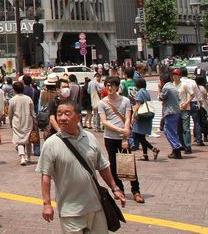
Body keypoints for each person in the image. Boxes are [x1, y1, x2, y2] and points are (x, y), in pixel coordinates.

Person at [38, 100, 127, 234]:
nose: (62, 118)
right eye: (59, 114)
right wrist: (47, 204)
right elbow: (46, 176)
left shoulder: (90, 138)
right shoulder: (51, 143)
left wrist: (114, 188)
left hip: (96, 207)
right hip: (70, 211)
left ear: (79, 117)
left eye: (67, 114)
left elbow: (103, 166)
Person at [99, 76, 143, 204]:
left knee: (129, 163)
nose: (109, 88)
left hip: (123, 137)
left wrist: (125, 135)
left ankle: (136, 191)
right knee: (113, 164)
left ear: (117, 86)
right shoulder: (103, 102)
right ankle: (119, 189)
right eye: (107, 85)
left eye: (112, 85)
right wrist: (119, 130)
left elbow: (128, 118)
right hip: (109, 137)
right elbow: (104, 121)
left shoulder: (125, 101)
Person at [131, 77, 159, 162]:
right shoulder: (146, 92)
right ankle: (145, 155)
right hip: (147, 115)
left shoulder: (140, 92)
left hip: (141, 116)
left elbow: (138, 105)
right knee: (142, 136)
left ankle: (153, 149)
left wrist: (133, 115)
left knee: (139, 136)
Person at [8, 80, 35, 166]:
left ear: (14, 89)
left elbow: (10, 113)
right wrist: (35, 120)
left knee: (19, 140)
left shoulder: (13, 100)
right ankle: (29, 157)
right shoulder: (28, 99)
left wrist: (10, 122)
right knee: (28, 140)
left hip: (17, 121)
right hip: (28, 121)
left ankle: (22, 156)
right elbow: (32, 111)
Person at [160, 69, 184, 159]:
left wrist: (160, 90)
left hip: (170, 112)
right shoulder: (173, 86)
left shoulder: (166, 87)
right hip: (175, 111)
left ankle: (176, 148)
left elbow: (161, 97)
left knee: (169, 131)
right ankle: (175, 148)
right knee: (170, 130)